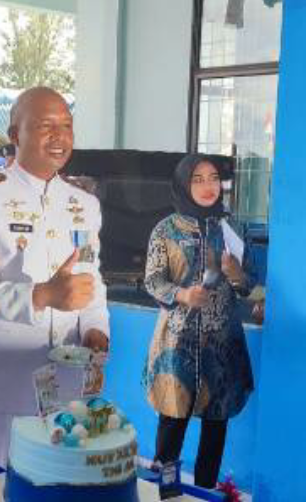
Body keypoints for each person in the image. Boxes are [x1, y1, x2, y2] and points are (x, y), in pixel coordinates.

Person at [0, 86, 110, 473]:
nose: (59, 136)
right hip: (7, 377)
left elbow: (91, 280)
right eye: (46, 126)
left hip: (69, 378)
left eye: (67, 125)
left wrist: (96, 329)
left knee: (60, 483)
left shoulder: (84, 204)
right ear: (15, 134)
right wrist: (42, 296)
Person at [142, 153, 254, 488]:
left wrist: (236, 274)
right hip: (177, 344)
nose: (209, 186)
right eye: (198, 179)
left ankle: (205, 491)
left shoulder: (230, 228)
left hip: (222, 346)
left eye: (214, 178)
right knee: (172, 423)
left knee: (216, 425)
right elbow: (152, 281)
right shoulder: (166, 230)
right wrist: (182, 294)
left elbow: (248, 285)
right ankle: (165, 492)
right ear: (183, 183)